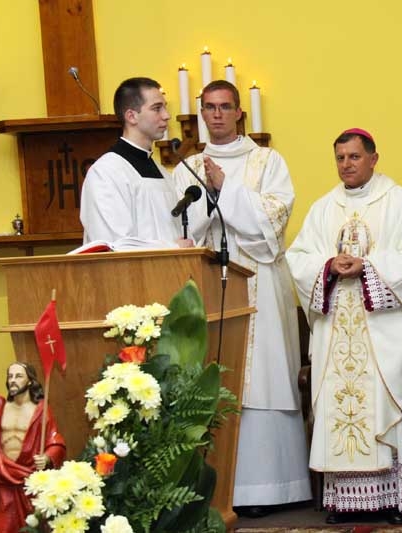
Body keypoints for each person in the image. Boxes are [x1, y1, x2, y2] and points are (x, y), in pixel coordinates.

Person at [286, 129, 402, 525]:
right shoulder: (323, 208)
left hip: (386, 330)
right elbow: (298, 257)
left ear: (374, 159)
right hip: (337, 329)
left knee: (387, 404)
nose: (347, 165)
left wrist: (369, 267)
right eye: (340, 158)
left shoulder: (400, 201)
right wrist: (328, 266)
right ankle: (346, 501)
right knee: (340, 408)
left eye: (355, 157)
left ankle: (399, 498)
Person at [172, 80, 310, 517]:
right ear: (201, 113)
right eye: (210, 107)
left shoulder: (268, 161)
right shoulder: (186, 167)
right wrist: (212, 194)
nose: (217, 114)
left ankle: (273, 488)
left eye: (225, 106)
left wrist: (226, 189)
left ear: (238, 113)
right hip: (208, 284)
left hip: (260, 283)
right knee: (215, 380)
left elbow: (275, 220)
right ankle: (218, 490)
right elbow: (178, 225)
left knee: (264, 377)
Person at [0, 339, 66, 533]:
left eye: (18, 376)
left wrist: (48, 457)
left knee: (31, 527)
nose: (12, 380)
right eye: (10, 376)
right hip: (1, 477)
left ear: (30, 381)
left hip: (28, 480)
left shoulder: (40, 410)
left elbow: (55, 439)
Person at [80, 77, 193, 248]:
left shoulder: (163, 173)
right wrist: (173, 248)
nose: (167, 115)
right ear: (132, 116)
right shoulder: (106, 173)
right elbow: (112, 245)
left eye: (165, 107)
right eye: (157, 108)